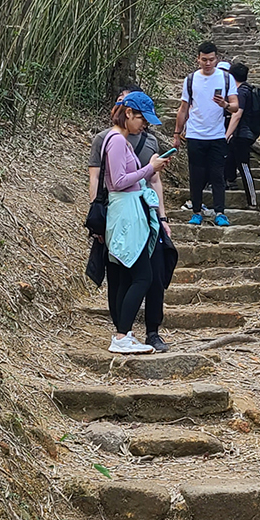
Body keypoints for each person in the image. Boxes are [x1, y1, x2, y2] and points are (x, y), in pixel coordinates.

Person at [88, 89, 173, 352]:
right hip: (125, 213)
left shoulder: (119, 140)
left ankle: (124, 334)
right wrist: (150, 168)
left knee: (139, 276)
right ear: (128, 114)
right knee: (141, 277)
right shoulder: (115, 140)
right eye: (141, 119)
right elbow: (118, 181)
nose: (144, 125)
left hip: (131, 210)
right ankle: (121, 336)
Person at [174, 41, 240, 227]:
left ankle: (220, 212)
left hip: (217, 135)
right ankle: (196, 211)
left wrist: (225, 105)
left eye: (211, 59)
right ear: (198, 59)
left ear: (216, 59)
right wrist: (177, 134)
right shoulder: (191, 80)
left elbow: (235, 106)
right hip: (195, 134)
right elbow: (183, 108)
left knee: (218, 175)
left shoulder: (226, 79)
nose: (208, 63)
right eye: (204, 60)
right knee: (196, 175)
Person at [222, 61, 258, 208]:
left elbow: (237, 114)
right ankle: (229, 182)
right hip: (240, 134)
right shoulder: (245, 89)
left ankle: (253, 201)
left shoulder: (242, 92)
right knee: (229, 157)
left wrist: (227, 134)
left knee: (244, 166)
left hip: (242, 134)